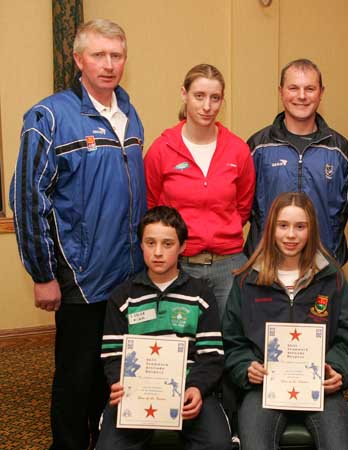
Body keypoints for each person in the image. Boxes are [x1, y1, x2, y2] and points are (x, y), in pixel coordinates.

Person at [9, 19, 146, 450]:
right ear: (78, 60)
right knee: (75, 377)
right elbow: (28, 199)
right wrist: (42, 273)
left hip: (126, 276)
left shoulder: (129, 113)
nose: (109, 65)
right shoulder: (48, 116)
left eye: (116, 55)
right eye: (98, 55)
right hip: (80, 278)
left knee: (113, 377)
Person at [223, 192, 348, 450]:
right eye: (283, 226)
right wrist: (246, 367)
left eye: (300, 227)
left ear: (311, 230)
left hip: (320, 388)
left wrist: (336, 369)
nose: (291, 235)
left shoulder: (332, 278)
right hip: (263, 389)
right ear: (271, 228)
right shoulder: (247, 280)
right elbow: (232, 342)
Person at [96, 206, 230, 450]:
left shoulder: (200, 294)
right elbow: (113, 354)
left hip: (187, 392)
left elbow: (211, 355)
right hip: (135, 393)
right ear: (141, 246)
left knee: (218, 444)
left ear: (182, 247)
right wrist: (117, 382)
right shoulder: (123, 296)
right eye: (150, 243)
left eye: (168, 244)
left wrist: (196, 388)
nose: (158, 252)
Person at [144, 63, 255, 318]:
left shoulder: (237, 150)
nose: (207, 106)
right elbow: (151, 206)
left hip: (228, 266)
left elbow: (243, 207)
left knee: (230, 339)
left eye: (215, 98)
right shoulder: (162, 149)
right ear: (184, 94)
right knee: (180, 338)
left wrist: (219, 231)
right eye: (199, 96)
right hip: (179, 264)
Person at [244, 59, 348, 265]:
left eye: (310, 88)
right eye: (293, 88)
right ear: (281, 91)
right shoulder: (258, 146)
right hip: (266, 262)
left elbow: (344, 209)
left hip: (323, 263)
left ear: (321, 93)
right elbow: (246, 206)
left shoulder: (340, 149)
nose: (302, 96)